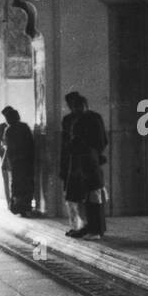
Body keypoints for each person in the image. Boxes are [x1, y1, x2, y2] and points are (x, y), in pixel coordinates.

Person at [64, 94, 109, 239]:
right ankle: (94, 228)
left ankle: (94, 230)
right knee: (93, 198)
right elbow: (103, 141)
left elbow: (74, 144)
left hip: (86, 162)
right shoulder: (94, 117)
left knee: (92, 199)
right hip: (91, 161)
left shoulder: (81, 121)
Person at [59, 91, 86, 235]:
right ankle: (80, 226)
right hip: (76, 161)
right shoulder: (72, 119)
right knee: (76, 195)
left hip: (74, 161)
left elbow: (65, 144)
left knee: (73, 195)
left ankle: (78, 226)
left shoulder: (70, 120)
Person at [1, 105, 35, 217]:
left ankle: (18, 207)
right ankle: (26, 206)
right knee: (26, 183)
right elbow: (31, 143)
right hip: (27, 160)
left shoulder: (9, 129)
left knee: (17, 184)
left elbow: (8, 147)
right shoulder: (24, 127)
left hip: (16, 162)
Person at [0, 118, 12, 209]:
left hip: (8, 159)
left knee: (8, 182)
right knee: (8, 182)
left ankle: (11, 203)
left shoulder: (5, 127)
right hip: (8, 160)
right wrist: (3, 155)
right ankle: (10, 203)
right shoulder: (3, 128)